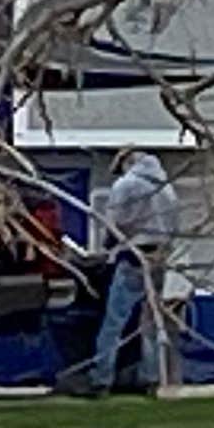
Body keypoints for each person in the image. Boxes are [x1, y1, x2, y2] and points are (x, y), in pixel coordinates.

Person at [83, 149, 184, 394]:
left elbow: (115, 223)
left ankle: (101, 377)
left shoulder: (126, 185)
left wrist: (106, 250)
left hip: (134, 257)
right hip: (159, 257)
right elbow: (174, 226)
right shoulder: (166, 188)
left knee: (114, 322)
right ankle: (150, 378)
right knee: (150, 323)